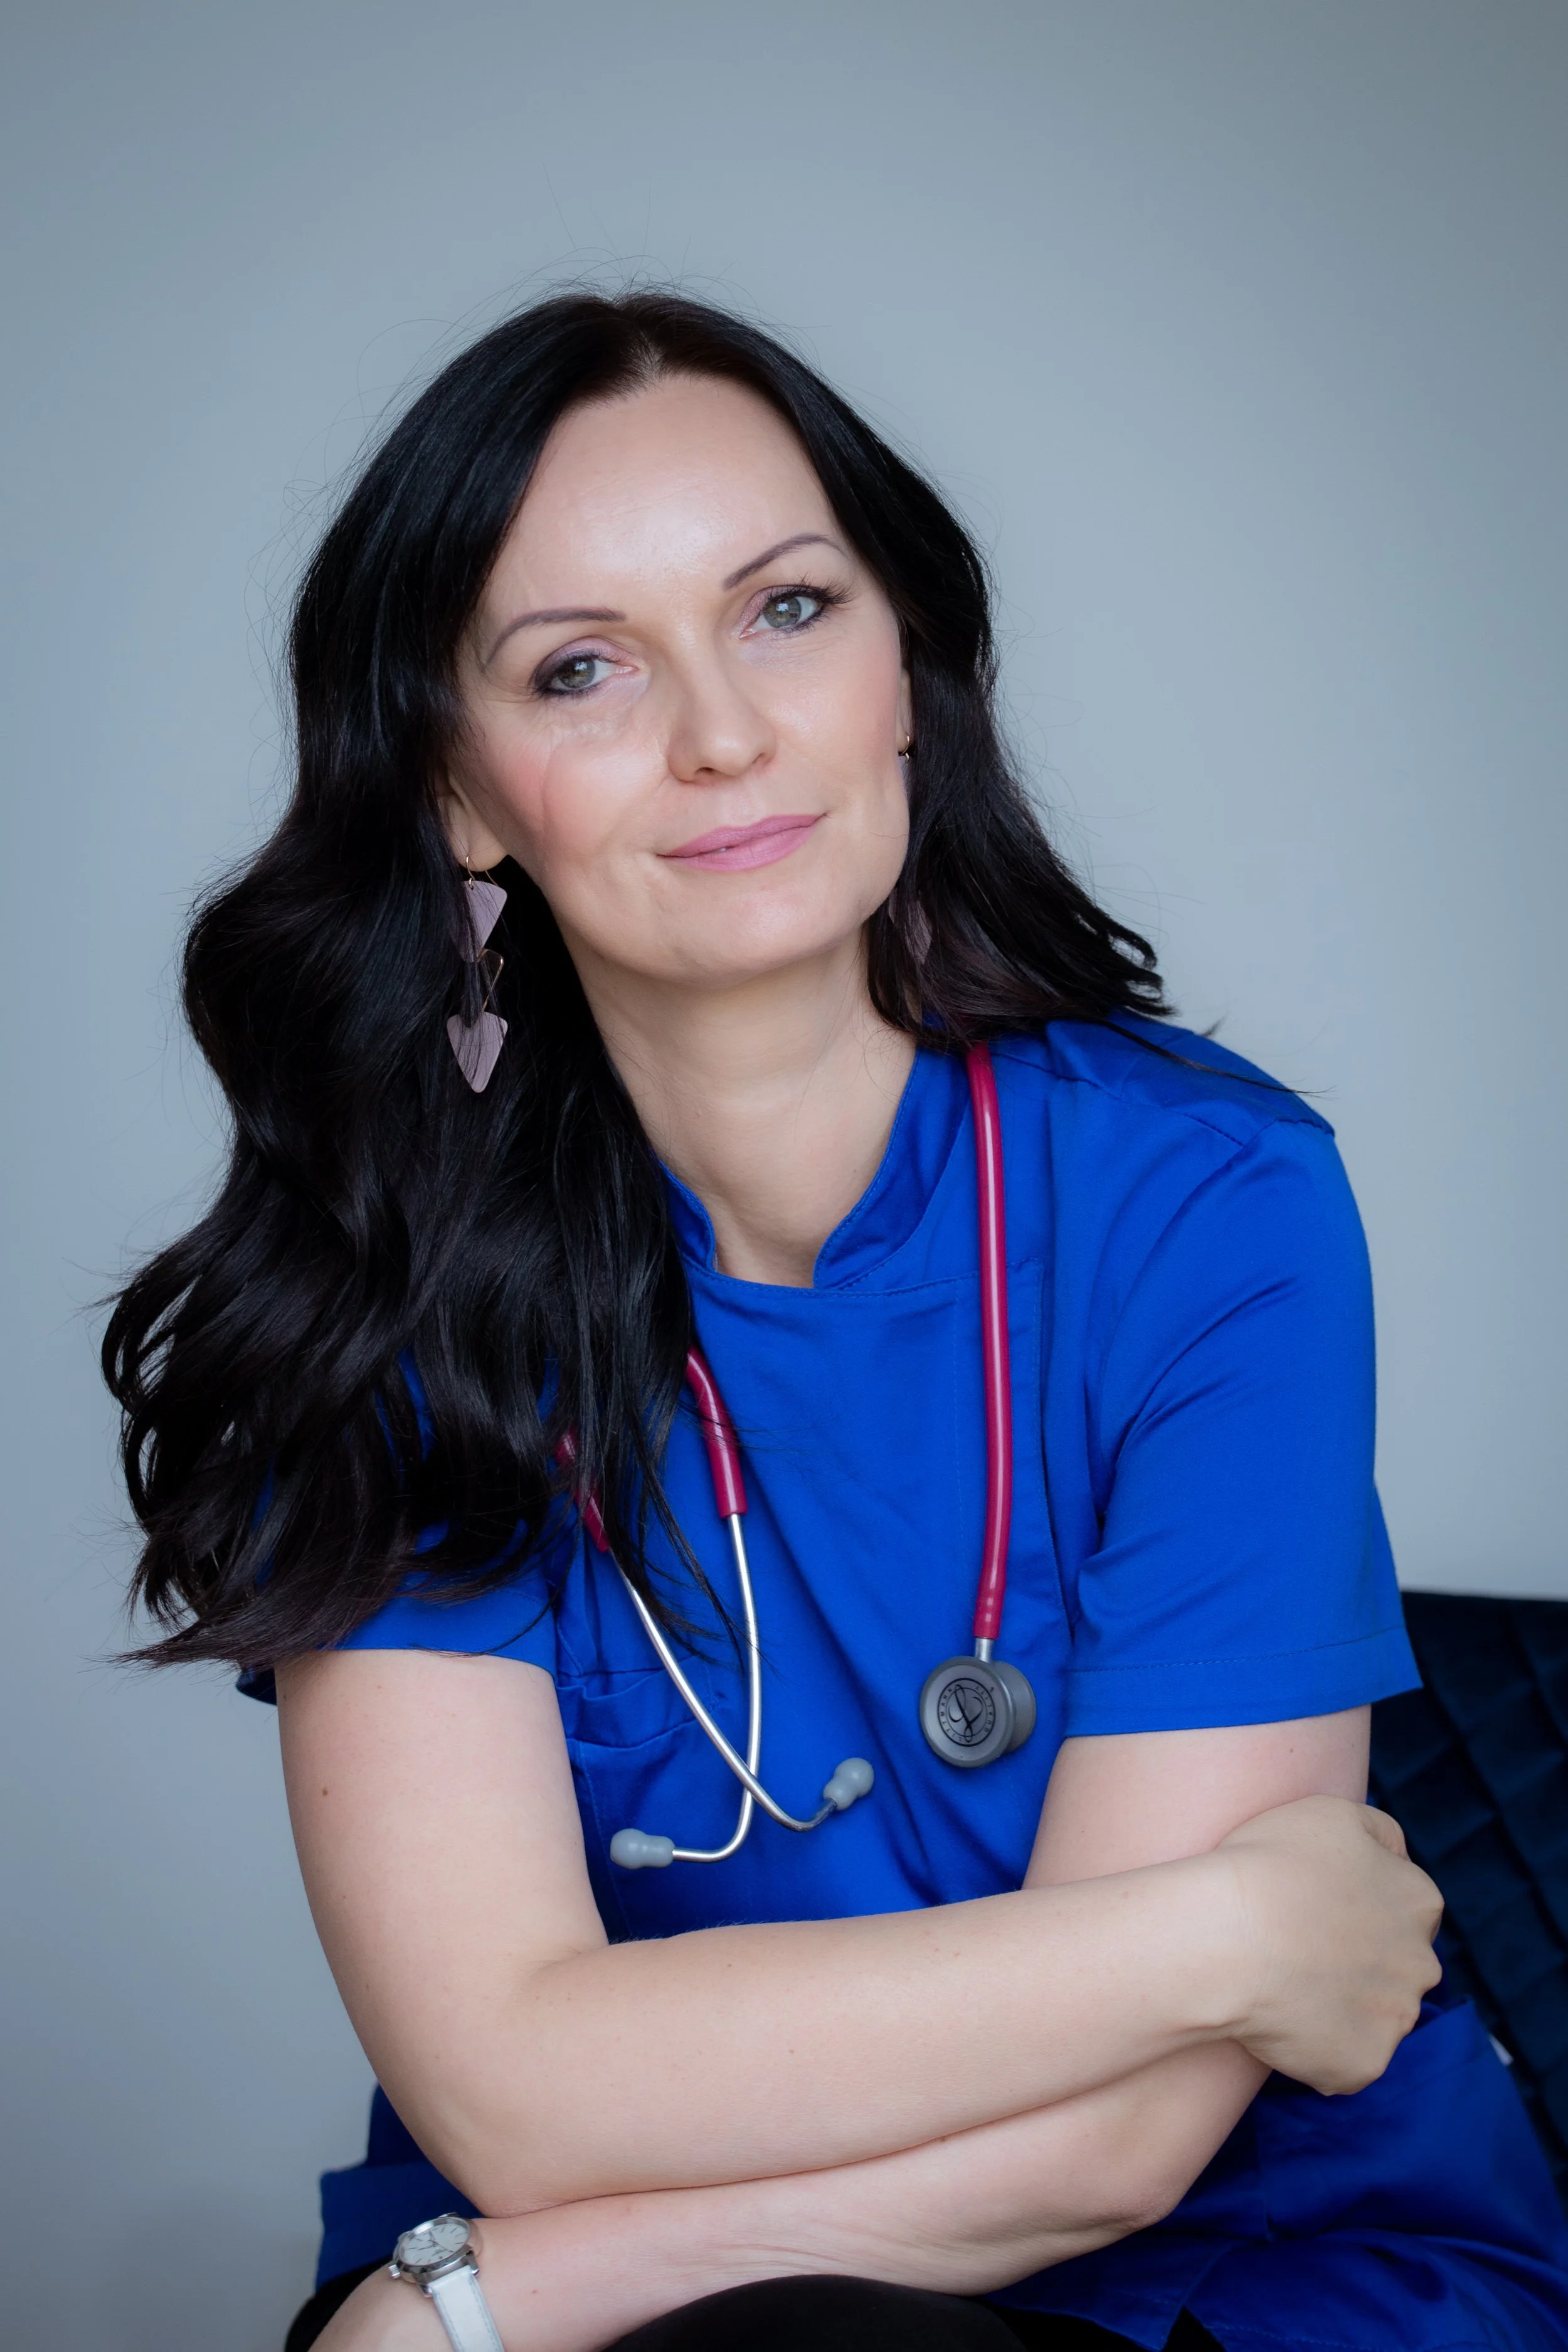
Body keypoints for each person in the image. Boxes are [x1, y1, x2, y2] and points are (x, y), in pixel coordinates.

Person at [104, 292, 1568, 2352]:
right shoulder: (382, 1302)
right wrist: (1223, 1928)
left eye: (786, 609)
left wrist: (503, 2297)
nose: (718, 732)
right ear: (461, 794)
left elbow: (1132, 2135)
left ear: (907, 669)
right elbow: (507, 2088)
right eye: (581, 667)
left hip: (1260, 2271)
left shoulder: (1207, 1204)